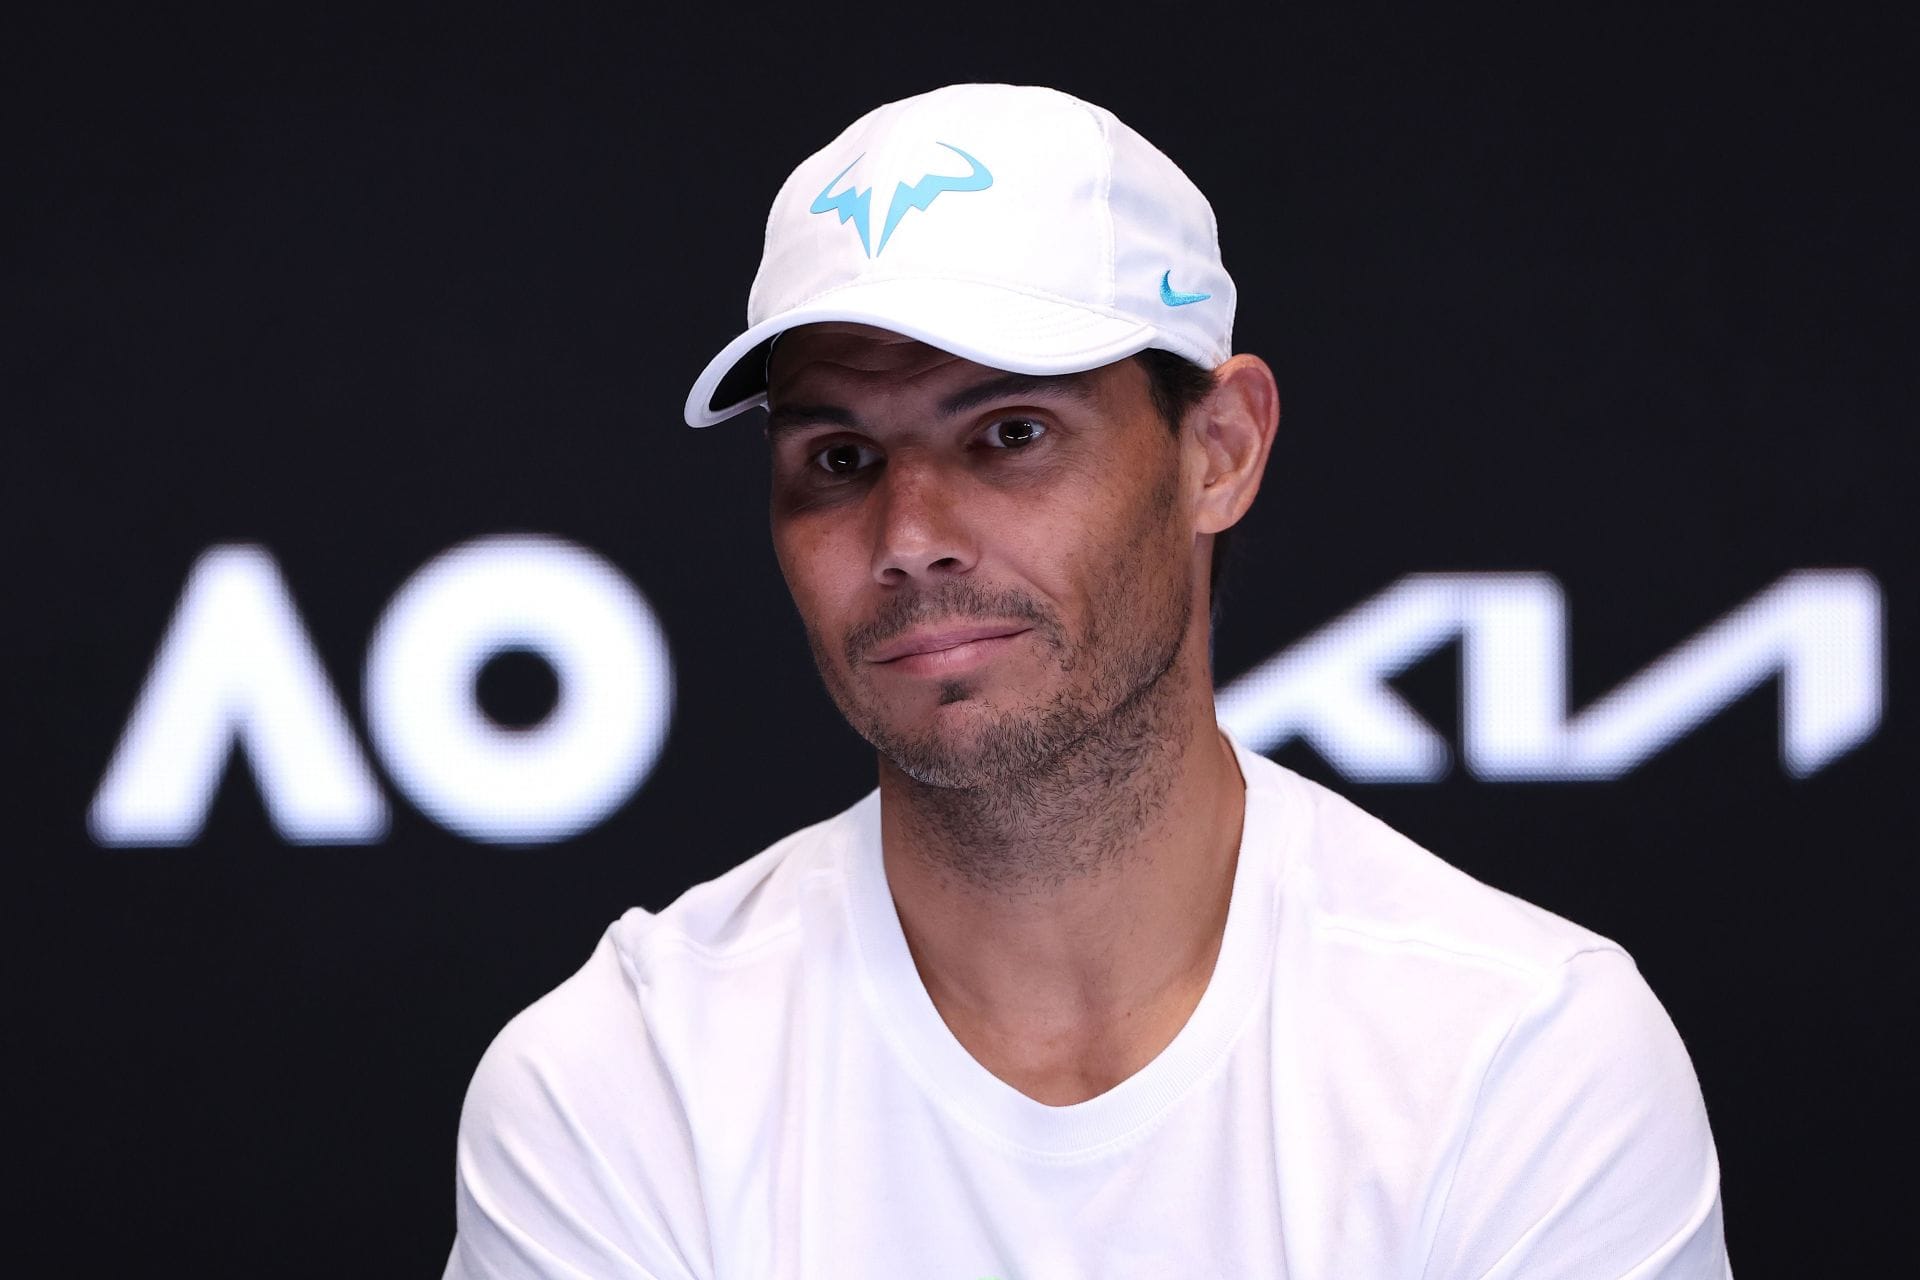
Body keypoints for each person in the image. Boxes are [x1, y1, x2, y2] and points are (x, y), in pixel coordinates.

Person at [442, 83, 1731, 1278]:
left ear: (1217, 451)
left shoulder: (1523, 1055)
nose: (907, 538)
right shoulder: (621, 1083)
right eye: (839, 460)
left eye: (1010, 434)